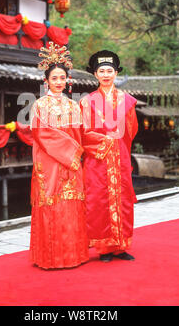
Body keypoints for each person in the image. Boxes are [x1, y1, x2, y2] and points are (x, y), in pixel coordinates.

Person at [27, 43, 112, 270]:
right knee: (52, 206)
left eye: (62, 78)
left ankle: (73, 255)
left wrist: (102, 141)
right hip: (49, 163)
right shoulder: (39, 106)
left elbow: (82, 134)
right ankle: (50, 257)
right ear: (46, 80)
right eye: (54, 78)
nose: (59, 82)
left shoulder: (74, 106)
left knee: (72, 206)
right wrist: (72, 152)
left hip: (71, 165)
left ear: (68, 80)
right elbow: (42, 135)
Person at [79, 50, 138, 262]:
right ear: (95, 74)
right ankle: (104, 248)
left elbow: (131, 130)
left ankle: (120, 246)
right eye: (101, 71)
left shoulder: (127, 101)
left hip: (120, 158)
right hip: (98, 159)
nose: (106, 74)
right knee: (99, 201)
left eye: (109, 71)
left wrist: (120, 147)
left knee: (122, 200)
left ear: (116, 73)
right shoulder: (88, 101)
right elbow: (84, 132)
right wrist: (107, 142)